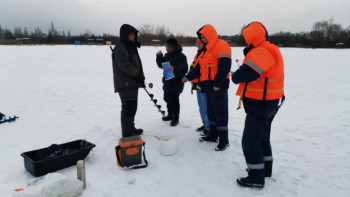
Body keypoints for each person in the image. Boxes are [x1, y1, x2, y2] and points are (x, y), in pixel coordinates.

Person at [231, 22, 285, 188]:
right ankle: (265, 170)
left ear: (251, 37)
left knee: (250, 142)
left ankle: (256, 177)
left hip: (261, 104)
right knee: (262, 139)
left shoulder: (262, 51)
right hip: (267, 103)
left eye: (246, 37)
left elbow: (246, 73)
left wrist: (236, 75)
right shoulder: (270, 49)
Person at [183, 24, 232, 151]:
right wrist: (188, 77)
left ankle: (224, 140)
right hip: (207, 85)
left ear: (209, 35)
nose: (202, 39)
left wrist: (217, 84)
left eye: (203, 36)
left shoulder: (222, 45)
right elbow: (199, 68)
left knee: (220, 113)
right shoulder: (205, 51)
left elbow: (225, 66)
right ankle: (213, 135)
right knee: (211, 112)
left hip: (218, 87)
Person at [112, 24, 145, 138]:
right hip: (125, 83)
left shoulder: (128, 45)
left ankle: (131, 128)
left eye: (134, 34)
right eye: (132, 34)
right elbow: (124, 65)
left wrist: (139, 76)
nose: (134, 36)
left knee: (132, 107)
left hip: (131, 82)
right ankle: (127, 133)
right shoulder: (121, 46)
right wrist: (137, 74)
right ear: (125, 34)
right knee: (128, 107)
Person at [156, 38, 188, 126]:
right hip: (167, 81)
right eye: (166, 45)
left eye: (167, 46)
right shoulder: (167, 55)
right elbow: (160, 65)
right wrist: (159, 57)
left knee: (174, 100)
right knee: (166, 98)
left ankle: (176, 117)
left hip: (176, 82)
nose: (166, 47)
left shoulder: (181, 56)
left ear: (172, 47)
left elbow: (184, 69)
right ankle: (170, 114)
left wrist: (175, 68)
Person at [190, 38, 210, 135]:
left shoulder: (207, 55)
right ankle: (205, 124)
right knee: (201, 107)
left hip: (204, 84)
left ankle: (209, 127)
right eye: (196, 43)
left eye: (199, 43)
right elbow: (193, 66)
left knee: (206, 107)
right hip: (197, 84)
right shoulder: (197, 55)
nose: (197, 45)